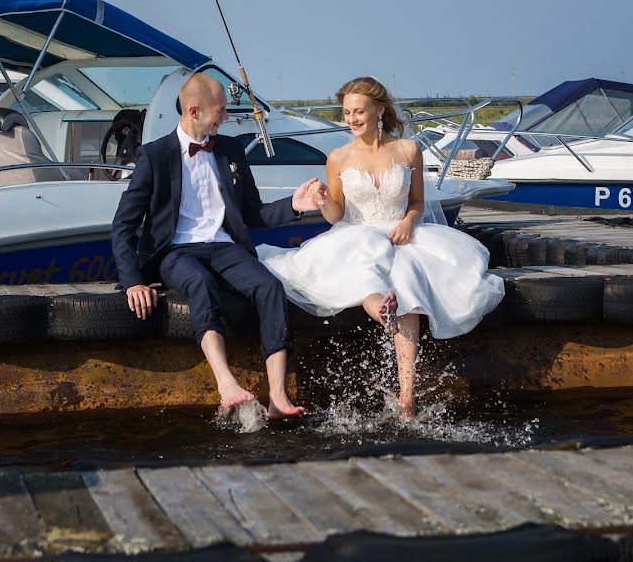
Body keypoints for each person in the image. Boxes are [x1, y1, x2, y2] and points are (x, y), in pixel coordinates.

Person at [257, 76, 505, 419]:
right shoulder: (338, 157)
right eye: (346, 113)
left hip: (402, 235)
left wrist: (407, 222)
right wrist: (324, 200)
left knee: (408, 281)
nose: (352, 119)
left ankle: (406, 399)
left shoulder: (407, 150)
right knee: (366, 262)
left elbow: (417, 202)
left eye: (359, 111)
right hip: (356, 235)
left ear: (379, 110)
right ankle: (381, 312)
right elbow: (335, 216)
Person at [111, 73, 324, 419]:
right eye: (220, 112)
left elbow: (252, 213)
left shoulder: (230, 150)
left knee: (269, 287)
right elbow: (123, 224)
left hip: (224, 248)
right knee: (199, 283)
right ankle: (226, 384)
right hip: (175, 252)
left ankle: (277, 398)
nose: (225, 118)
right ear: (194, 111)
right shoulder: (154, 156)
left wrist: (295, 205)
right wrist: (133, 280)